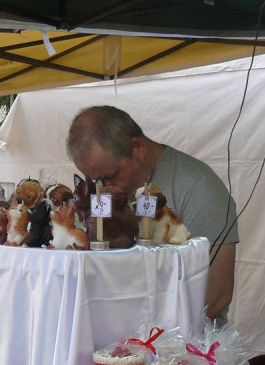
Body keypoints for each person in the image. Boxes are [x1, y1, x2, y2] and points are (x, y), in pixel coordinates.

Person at [66, 105, 239, 322]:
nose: (104, 188)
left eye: (111, 175)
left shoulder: (198, 187)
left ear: (138, 148)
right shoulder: (106, 193)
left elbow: (217, 293)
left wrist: (147, 334)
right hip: (116, 339)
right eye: (96, 180)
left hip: (182, 345)